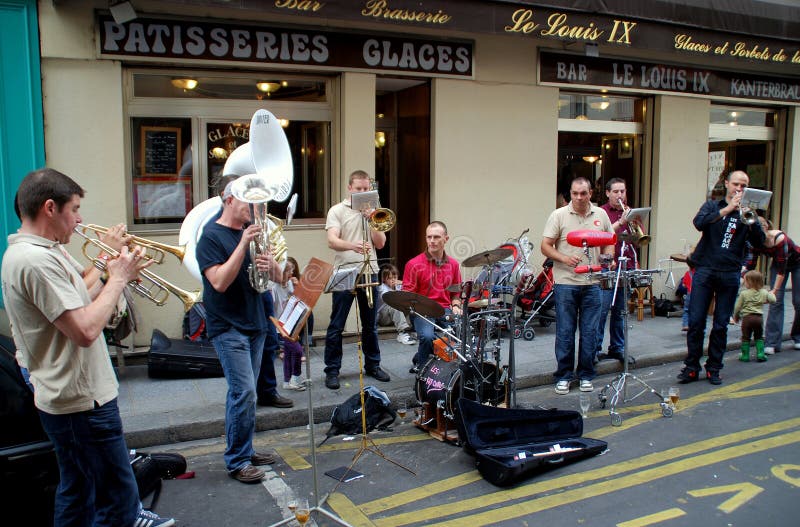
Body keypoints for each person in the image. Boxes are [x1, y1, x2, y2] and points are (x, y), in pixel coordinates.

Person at [1, 168, 175, 526]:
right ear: (50, 208)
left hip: (73, 396)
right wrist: (119, 279)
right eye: (75, 209)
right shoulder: (35, 260)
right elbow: (84, 330)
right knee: (116, 501)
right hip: (79, 401)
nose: (80, 219)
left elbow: (81, 299)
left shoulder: (46, 251)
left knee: (78, 490)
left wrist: (112, 274)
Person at [195, 179, 280, 484]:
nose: (255, 209)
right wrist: (243, 244)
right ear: (229, 200)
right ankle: (237, 460)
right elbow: (219, 281)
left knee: (249, 394)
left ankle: (246, 449)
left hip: (255, 321)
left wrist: (272, 264)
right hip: (228, 326)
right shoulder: (210, 237)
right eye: (249, 202)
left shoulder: (252, 232)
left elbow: (279, 278)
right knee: (242, 392)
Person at [211, 175, 293, 409]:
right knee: (242, 361)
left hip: (261, 291)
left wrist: (272, 263)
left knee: (269, 341)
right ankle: (248, 395)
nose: (251, 203)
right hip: (236, 301)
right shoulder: (217, 228)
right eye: (244, 196)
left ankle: (266, 390)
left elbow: (277, 271)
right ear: (227, 198)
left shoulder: (253, 222)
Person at [678, 170, 765, 386]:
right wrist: (727, 209)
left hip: (730, 273)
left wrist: (752, 220)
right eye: (736, 184)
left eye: (743, 185)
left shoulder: (748, 213)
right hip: (705, 270)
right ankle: (691, 367)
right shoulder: (712, 206)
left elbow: (760, 242)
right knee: (696, 322)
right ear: (726, 184)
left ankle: (714, 367)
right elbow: (699, 223)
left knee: (720, 325)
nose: (739, 189)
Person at [541, 176, 614, 395]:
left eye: (583, 193)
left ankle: (586, 375)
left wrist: (608, 259)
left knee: (590, 332)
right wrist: (564, 258)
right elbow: (545, 246)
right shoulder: (559, 215)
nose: (579, 197)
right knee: (565, 331)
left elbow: (610, 241)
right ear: (570, 194)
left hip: (593, 282)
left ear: (590, 193)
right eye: (575, 193)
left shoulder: (600, 214)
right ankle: (563, 376)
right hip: (566, 282)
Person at [323, 170, 391, 389]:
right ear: (350, 188)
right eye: (358, 189)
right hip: (345, 270)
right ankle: (332, 370)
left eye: (366, 189)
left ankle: (373, 365)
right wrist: (353, 246)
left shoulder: (374, 211)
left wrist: (371, 218)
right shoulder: (337, 210)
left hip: (369, 269)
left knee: (370, 324)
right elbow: (332, 241)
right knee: (337, 324)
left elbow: (380, 244)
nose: (362, 192)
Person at [402, 221, 463, 372]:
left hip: (444, 309)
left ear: (446, 239)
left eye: (436, 237)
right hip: (422, 311)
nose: (432, 241)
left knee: (462, 332)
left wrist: (456, 305)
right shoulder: (413, 264)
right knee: (428, 337)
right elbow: (407, 295)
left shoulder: (454, 265)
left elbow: (456, 293)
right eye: (429, 237)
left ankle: (452, 369)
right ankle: (423, 372)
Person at [595, 177, 639, 363]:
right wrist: (621, 222)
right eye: (616, 191)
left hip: (626, 265)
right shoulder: (601, 212)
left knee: (621, 312)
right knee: (601, 311)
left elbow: (638, 239)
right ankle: (594, 350)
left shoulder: (631, 212)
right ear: (607, 193)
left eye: (622, 191)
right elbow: (600, 236)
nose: (620, 195)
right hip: (607, 267)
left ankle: (617, 348)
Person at [745, 216, 800, 354]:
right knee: (776, 302)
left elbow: (782, 271)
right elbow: (750, 265)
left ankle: (798, 336)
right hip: (778, 263)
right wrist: (742, 277)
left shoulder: (780, 239)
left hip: (797, 263)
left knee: (798, 301)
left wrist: (774, 290)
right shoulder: (754, 241)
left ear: (766, 227)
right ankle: (772, 343)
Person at [272, 256, 305, 391]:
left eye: (292, 270)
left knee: (289, 353)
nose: (291, 273)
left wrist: (298, 287)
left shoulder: (290, 283)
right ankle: (295, 379)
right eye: (289, 271)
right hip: (280, 327)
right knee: (297, 351)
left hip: (291, 323)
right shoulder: (274, 288)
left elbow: (298, 298)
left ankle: (287, 381)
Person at [733, 270, 776, 362]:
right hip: (758, 318)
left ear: (750, 282)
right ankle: (760, 354)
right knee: (759, 336)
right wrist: (771, 293)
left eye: (745, 281)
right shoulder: (764, 292)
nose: (744, 283)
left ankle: (745, 356)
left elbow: (737, 306)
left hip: (747, 318)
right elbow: (773, 300)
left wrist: (736, 315)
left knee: (745, 337)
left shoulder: (744, 293)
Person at [377, 263, 417, 345]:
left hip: (396, 317)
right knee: (395, 305)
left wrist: (403, 283)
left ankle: (415, 330)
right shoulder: (381, 287)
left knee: (412, 304)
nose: (393, 280)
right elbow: (390, 299)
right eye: (389, 278)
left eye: (395, 277)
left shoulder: (399, 286)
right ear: (384, 279)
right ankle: (402, 333)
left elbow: (410, 293)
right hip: (384, 318)